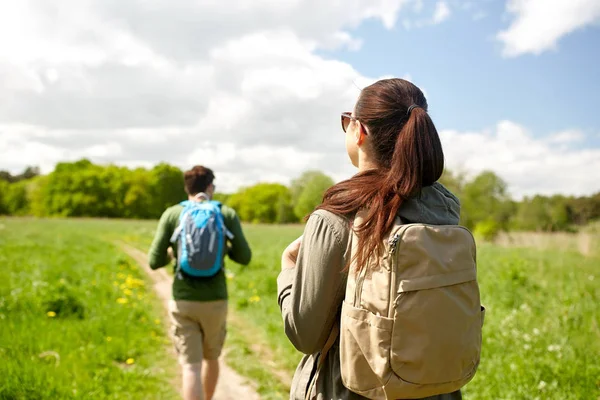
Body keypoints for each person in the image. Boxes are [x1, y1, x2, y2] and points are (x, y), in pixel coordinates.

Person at [277, 78, 464, 400]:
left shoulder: (336, 217)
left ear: (359, 131)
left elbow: (305, 336)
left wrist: (288, 270)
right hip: (436, 389)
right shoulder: (445, 210)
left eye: (346, 121)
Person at [148, 165, 251, 400]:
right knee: (212, 358)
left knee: (191, 367)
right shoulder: (225, 214)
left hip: (183, 300)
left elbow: (153, 261)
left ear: (187, 188)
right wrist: (224, 249)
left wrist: (172, 255)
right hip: (215, 300)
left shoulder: (173, 214)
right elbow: (244, 256)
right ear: (210, 187)